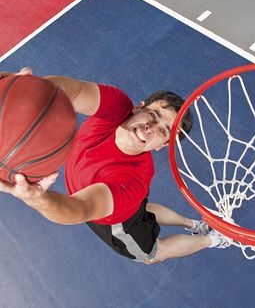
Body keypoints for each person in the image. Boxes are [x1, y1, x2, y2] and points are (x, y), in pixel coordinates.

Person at [0, 68, 228, 264]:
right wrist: (38, 90)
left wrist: (36, 198)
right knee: (143, 209)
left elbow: (80, 208)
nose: (150, 127)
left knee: (153, 254)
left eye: (162, 131)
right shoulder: (116, 106)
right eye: (154, 114)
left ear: (162, 145)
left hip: (116, 222)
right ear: (138, 108)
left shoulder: (131, 181)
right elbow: (74, 91)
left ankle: (212, 239)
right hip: (122, 201)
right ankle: (193, 223)